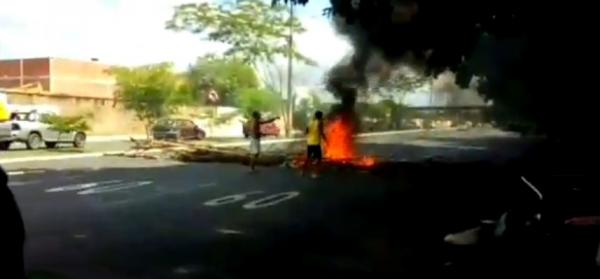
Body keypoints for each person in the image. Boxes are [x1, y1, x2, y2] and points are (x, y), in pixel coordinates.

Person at [303, 111, 326, 178]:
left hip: (309, 142)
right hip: (316, 143)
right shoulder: (320, 122)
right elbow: (321, 132)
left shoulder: (310, 122)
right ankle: (315, 173)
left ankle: (303, 172)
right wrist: (326, 140)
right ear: (321, 116)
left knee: (308, 158)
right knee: (318, 159)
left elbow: (306, 132)